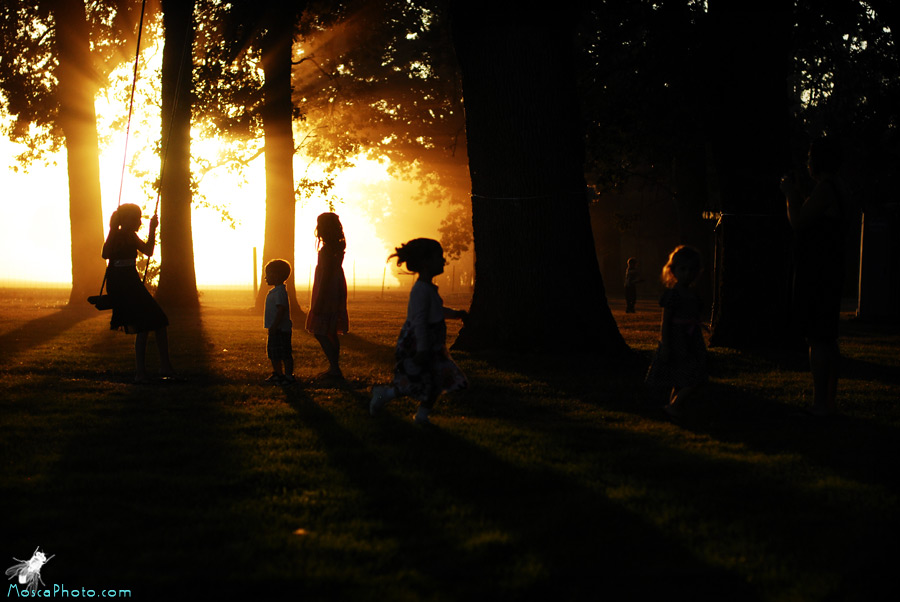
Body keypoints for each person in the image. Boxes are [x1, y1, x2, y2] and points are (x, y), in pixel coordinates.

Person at [370, 238, 468, 426]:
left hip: (432, 346)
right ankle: (386, 394)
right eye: (438, 257)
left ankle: (421, 415)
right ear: (425, 262)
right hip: (420, 345)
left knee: (436, 380)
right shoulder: (420, 291)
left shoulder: (428, 289)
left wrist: (456, 314)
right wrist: (423, 348)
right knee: (417, 381)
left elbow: (436, 310)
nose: (443, 261)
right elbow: (420, 321)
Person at [781, 137, 845, 416]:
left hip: (819, 272)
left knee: (818, 339)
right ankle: (828, 401)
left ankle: (821, 403)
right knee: (827, 338)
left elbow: (799, 221)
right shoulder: (839, 188)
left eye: (809, 157)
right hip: (830, 269)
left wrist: (789, 195)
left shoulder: (826, 189)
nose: (807, 162)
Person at [101, 203, 174, 383]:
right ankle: (145, 372)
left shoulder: (131, 236)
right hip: (124, 283)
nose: (139, 221)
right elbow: (105, 253)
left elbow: (148, 251)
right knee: (152, 322)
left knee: (156, 321)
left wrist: (152, 229)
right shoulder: (118, 235)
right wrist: (111, 229)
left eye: (140, 218)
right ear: (123, 220)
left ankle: (155, 368)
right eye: (135, 218)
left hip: (130, 281)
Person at [645, 245, 708, 418]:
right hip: (677, 339)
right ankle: (674, 405)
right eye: (683, 269)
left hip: (692, 339)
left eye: (692, 269)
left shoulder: (694, 294)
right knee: (685, 376)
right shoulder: (672, 295)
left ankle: (674, 406)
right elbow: (665, 322)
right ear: (673, 271)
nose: (687, 273)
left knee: (692, 374)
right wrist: (665, 344)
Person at [305, 212, 349, 379]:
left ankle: (335, 367)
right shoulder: (337, 247)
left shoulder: (326, 250)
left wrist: (320, 299)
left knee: (320, 331)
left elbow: (326, 275)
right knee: (330, 330)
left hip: (328, 289)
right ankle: (334, 368)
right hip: (336, 287)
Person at [264, 259, 295, 385]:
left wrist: (275, 325)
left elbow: (281, 309)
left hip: (281, 329)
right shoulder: (275, 291)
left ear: (276, 276)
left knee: (284, 353)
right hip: (275, 328)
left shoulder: (280, 292)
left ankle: (288, 376)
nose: (266, 277)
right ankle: (278, 374)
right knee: (273, 352)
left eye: (268, 274)